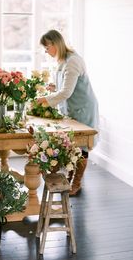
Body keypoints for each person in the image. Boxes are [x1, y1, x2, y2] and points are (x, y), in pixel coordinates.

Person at [37, 29, 99, 196]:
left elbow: (66, 93)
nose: (46, 51)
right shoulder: (63, 60)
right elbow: (65, 86)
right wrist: (53, 87)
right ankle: (71, 179)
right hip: (72, 109)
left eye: (47, 47)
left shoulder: (73, 61)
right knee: (73, 146)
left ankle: (76, 183)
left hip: (83, 109)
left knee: (82, 146)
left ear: (55, 44)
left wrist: (44, 100)